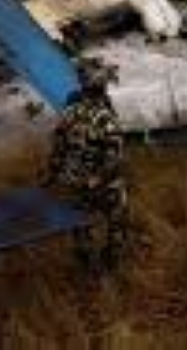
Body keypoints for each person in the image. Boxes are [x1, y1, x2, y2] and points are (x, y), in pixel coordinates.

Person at [45, 59, 128, 271]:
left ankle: (87, 265)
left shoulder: (68, 113)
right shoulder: (107, 120)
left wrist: (52, 177)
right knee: (116, 222)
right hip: (103, 185)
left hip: (75, 181)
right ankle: (112, 264)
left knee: (81, 225)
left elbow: (57, 150)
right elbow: (115, 159)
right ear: (102, 87)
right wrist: (98, 180)